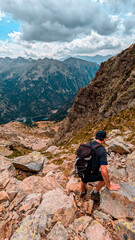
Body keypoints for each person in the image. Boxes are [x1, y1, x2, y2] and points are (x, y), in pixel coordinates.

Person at [80, 130, 120, 200]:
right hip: (91, 172)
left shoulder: (87, 144)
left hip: (81, 171)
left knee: (84, 179)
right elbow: (103, 170)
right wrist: (109, 185)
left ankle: (83, 192)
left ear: (95, 137)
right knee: (104, 178)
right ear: (104, 139)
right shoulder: (102, 150)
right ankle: (95, 192)